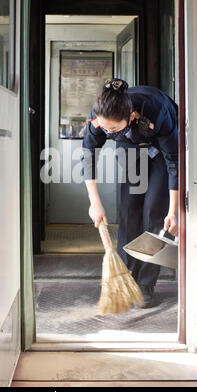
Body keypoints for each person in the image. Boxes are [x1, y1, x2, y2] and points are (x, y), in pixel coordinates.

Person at [81, 78, 179, 308]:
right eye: (104, 128)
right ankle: (126, 278)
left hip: (162, 150)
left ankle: (145, 285)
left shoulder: (157, 112)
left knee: (154, 213)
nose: (106, 132)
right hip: (131, 147)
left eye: (112, 129)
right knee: (128, 211)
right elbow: (88, 155)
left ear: (131, 117)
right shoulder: (101, 116)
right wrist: (94, 202)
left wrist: (173, 211)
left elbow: (174, 162)